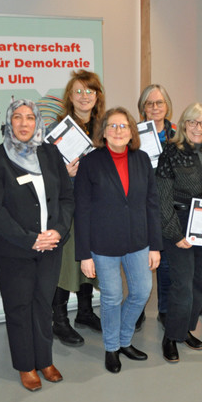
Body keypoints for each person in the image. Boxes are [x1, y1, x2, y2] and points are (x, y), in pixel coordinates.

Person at [0, 99, 74, 391]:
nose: (23, 123)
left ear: (37, 122)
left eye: (30, 117)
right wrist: (30, 239)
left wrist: (58, 231)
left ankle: (44, 360)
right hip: (13, 250)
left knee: (43, 305)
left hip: (51, 246)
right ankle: (26, 365)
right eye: (17, 117)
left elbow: (66, 198)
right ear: (9, 122)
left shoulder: (50, 153)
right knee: (19, 308)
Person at [74, 107, 162, 374]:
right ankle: (111, 347)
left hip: (138, 241)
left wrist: (155, 246)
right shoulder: (90, 163)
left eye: (123, 126)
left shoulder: (142, 159)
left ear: (132, 132)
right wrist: (84, 254)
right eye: (112, 126)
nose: (118, 131)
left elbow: (152, 204)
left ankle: (124, 340)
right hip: (103, 245)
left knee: (141, 292)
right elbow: (82, 210)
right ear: (103, 132)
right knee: (112, 298)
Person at [156, 102, 202, 363]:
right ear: (184, 125)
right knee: (182, 285)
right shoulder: (171, 152)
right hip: (179, 221)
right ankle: (170, 337)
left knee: (199, 283)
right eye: (193, 122)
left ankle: (185, 329)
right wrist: (175, 234)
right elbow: (162, 197)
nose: (198, 128)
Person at [49, 69, 105, 348]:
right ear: (70, 97)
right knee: (66, 265)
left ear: (97, 96)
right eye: (79, 91)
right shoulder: (56, 130)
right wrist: (64, 173)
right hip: (68, 208)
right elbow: (44, 173)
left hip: (97, 207)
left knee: (89, 259)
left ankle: (85, 312)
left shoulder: (105, 129)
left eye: (90, 91)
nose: (84, 96)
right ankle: (59, 320)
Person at [135, 84, 176, 330]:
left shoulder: (177, 134)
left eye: (159, 102)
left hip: (169, 206)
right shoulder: (133, 135)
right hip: (141, 206)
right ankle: (137, 310)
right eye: (149, 103)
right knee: (140, 263)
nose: (155, 107)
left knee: (167, 262)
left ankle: (165, 310)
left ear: (167, 106)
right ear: (143, 108)